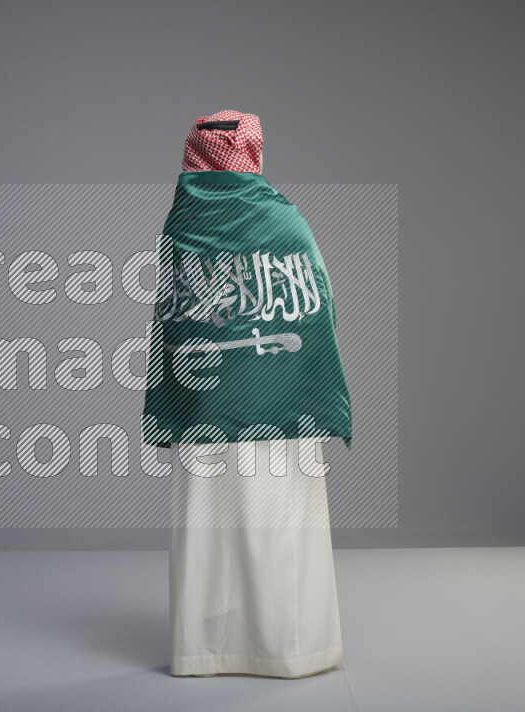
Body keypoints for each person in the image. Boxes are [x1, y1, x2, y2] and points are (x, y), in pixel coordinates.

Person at [141, 109, 352, 678]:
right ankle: (288, 647)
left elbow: (173, 317)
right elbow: (319, 304)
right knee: (277, 525)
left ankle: (205, 647)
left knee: (208, 528)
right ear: (253, 153)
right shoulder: (282, 220)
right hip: (280, 404)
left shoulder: (182, 222)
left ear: (195, 153)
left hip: (205, 403)